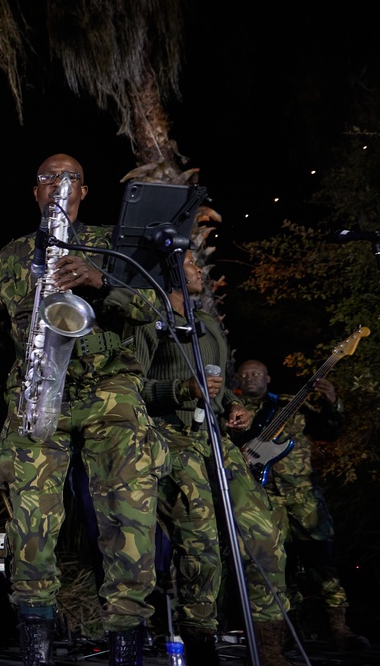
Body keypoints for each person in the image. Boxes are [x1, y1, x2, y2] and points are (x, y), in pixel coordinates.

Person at [0, 154, 167, 666]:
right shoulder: (9, 257)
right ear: (36, 192)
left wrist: (100, 282)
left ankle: (127, 644)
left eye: (70, 177)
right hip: (37, 389)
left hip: (109, 392)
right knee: (31, 525)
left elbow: (154, 308)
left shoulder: (113, 244)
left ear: (84, 191)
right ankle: (35, 643)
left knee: (129, 520)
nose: (59, 184)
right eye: (49, 177)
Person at [133, 249, 292, 666]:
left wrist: (233, 409)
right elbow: (128, 391)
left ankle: (271, 647)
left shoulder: (206, 326)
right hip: (168, 436)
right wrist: (182, 389)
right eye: (189, 264)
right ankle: (202, 644)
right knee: (199, 539)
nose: (198, 269)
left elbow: (217, 390)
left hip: (215, 439)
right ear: (168, 272)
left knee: (262, 533)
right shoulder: (146, 321)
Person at [228, 359, 369, 652]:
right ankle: (288, 633)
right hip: (262, 496)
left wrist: (332, 403)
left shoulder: (291, 404)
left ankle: (340, 629)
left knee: (322, 560)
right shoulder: (233, 412)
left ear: (268, 377)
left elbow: (329, 431)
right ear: (237, 379)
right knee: (277, 567)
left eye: (256, 372)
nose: (250, 377)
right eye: (244, 373)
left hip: (303, 493)